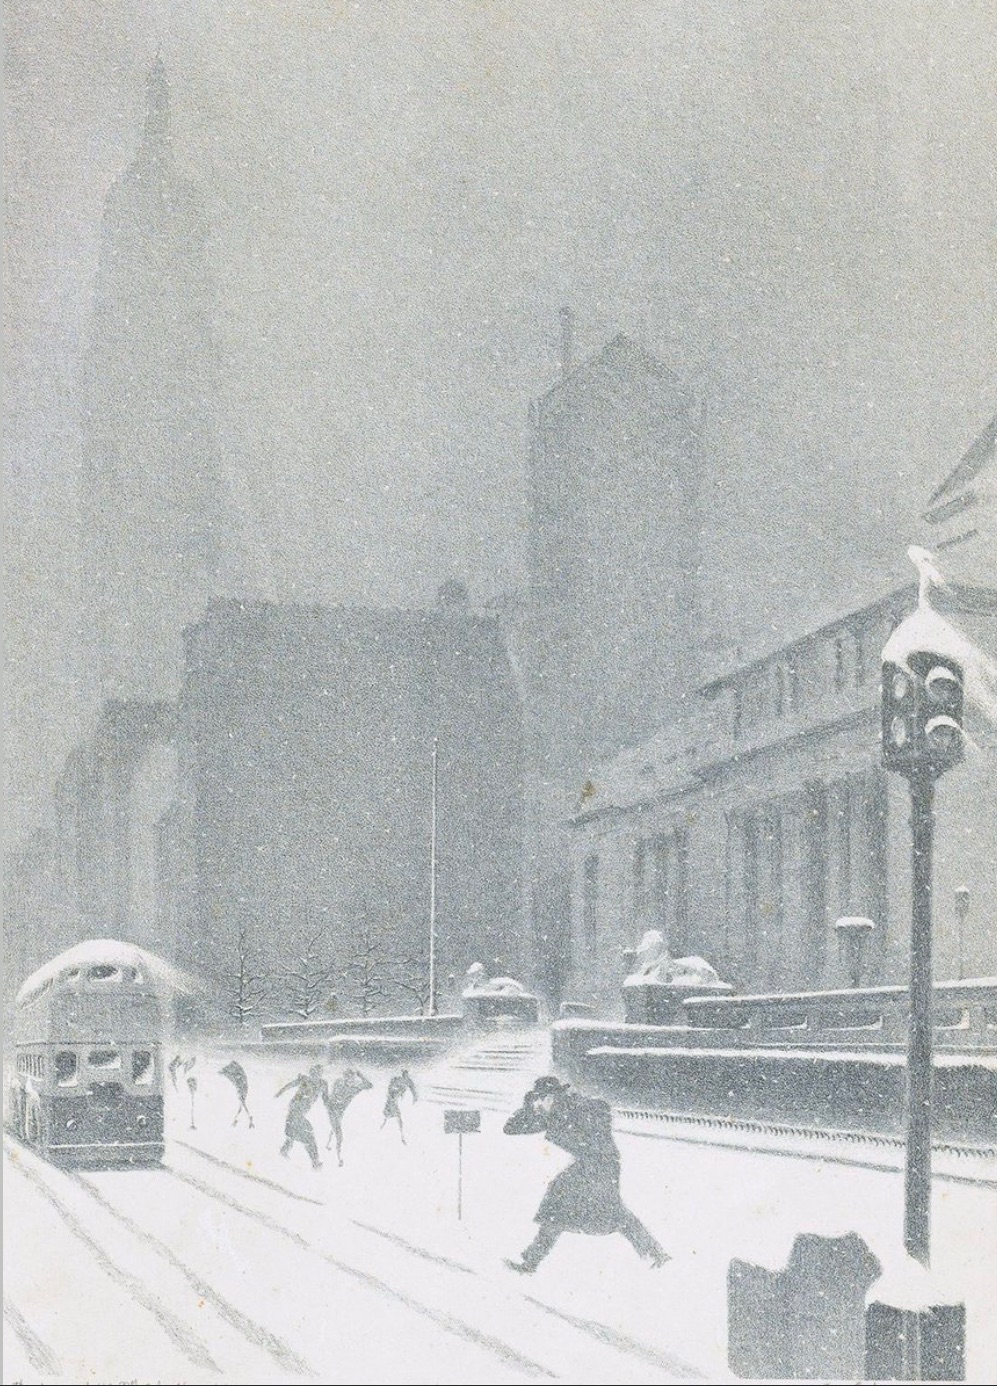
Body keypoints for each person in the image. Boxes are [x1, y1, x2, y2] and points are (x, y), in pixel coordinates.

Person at [503, 1075, 669, 1274]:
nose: (538, 1105)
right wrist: (527, 1109)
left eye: (540, 1100)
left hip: (602, 1164)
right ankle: (531, 1262)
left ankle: (656, 1254)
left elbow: (601, 1114)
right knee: (559, 1210)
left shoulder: (578, 1107)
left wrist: (578, 1130)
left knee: (609, 1212)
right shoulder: (553, 1114)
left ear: (550, 1097)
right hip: (586, 1165)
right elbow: (510, 1128)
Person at [275, 1064, 329, 1169]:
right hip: (294, 1113)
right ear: (310, 1073)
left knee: (294, 1135)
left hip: (298, 1114)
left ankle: (284, 1152)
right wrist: (279, 1093)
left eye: (318, 1073)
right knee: (308, 1136)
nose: (315, 1075)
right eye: (313, 1073)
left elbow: (326, 1100)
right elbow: (290, 1085)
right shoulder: (304, 1080)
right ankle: (315, 1163)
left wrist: (332, 1108)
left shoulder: (322, 1084)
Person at [323, 1068, 373, 1165]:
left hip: (339, 1111)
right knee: (339, 1134)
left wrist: (361, 1075)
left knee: (335, 1127)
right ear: (344, 1077)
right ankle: (339, 1158)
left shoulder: (355, 1087)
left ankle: (328, 1144)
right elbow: (332, 1097)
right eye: (347, 1077)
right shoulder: (339, 1083)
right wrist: (333, 1105)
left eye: (352, 1077)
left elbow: (369, 1085)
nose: (350, 1080)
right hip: (333, 1110)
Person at [381, 1069, 418, 1144]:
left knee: (396, 1117)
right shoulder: (397, 1079)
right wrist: (395, 1093)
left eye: (406, 1074)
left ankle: (401, 1135)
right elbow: (390, 1089)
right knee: (392, 1116)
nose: (405, 1076)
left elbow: (413, 1090)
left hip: (397, 1100)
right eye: (404, 1074)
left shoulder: (409, 1081)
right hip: (393, 1099)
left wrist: (415, 1097)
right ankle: (384, 1128)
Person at [219, 1059, 254, 1128]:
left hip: (241, 1088)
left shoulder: (237, 1073)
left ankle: (245, 1119)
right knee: (242, 1104)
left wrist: (224, 1073)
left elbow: (231, 1077)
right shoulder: (238, 1072)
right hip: (242, 1088)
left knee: (242, 1104)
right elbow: (232, 1077)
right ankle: (245, 1118)